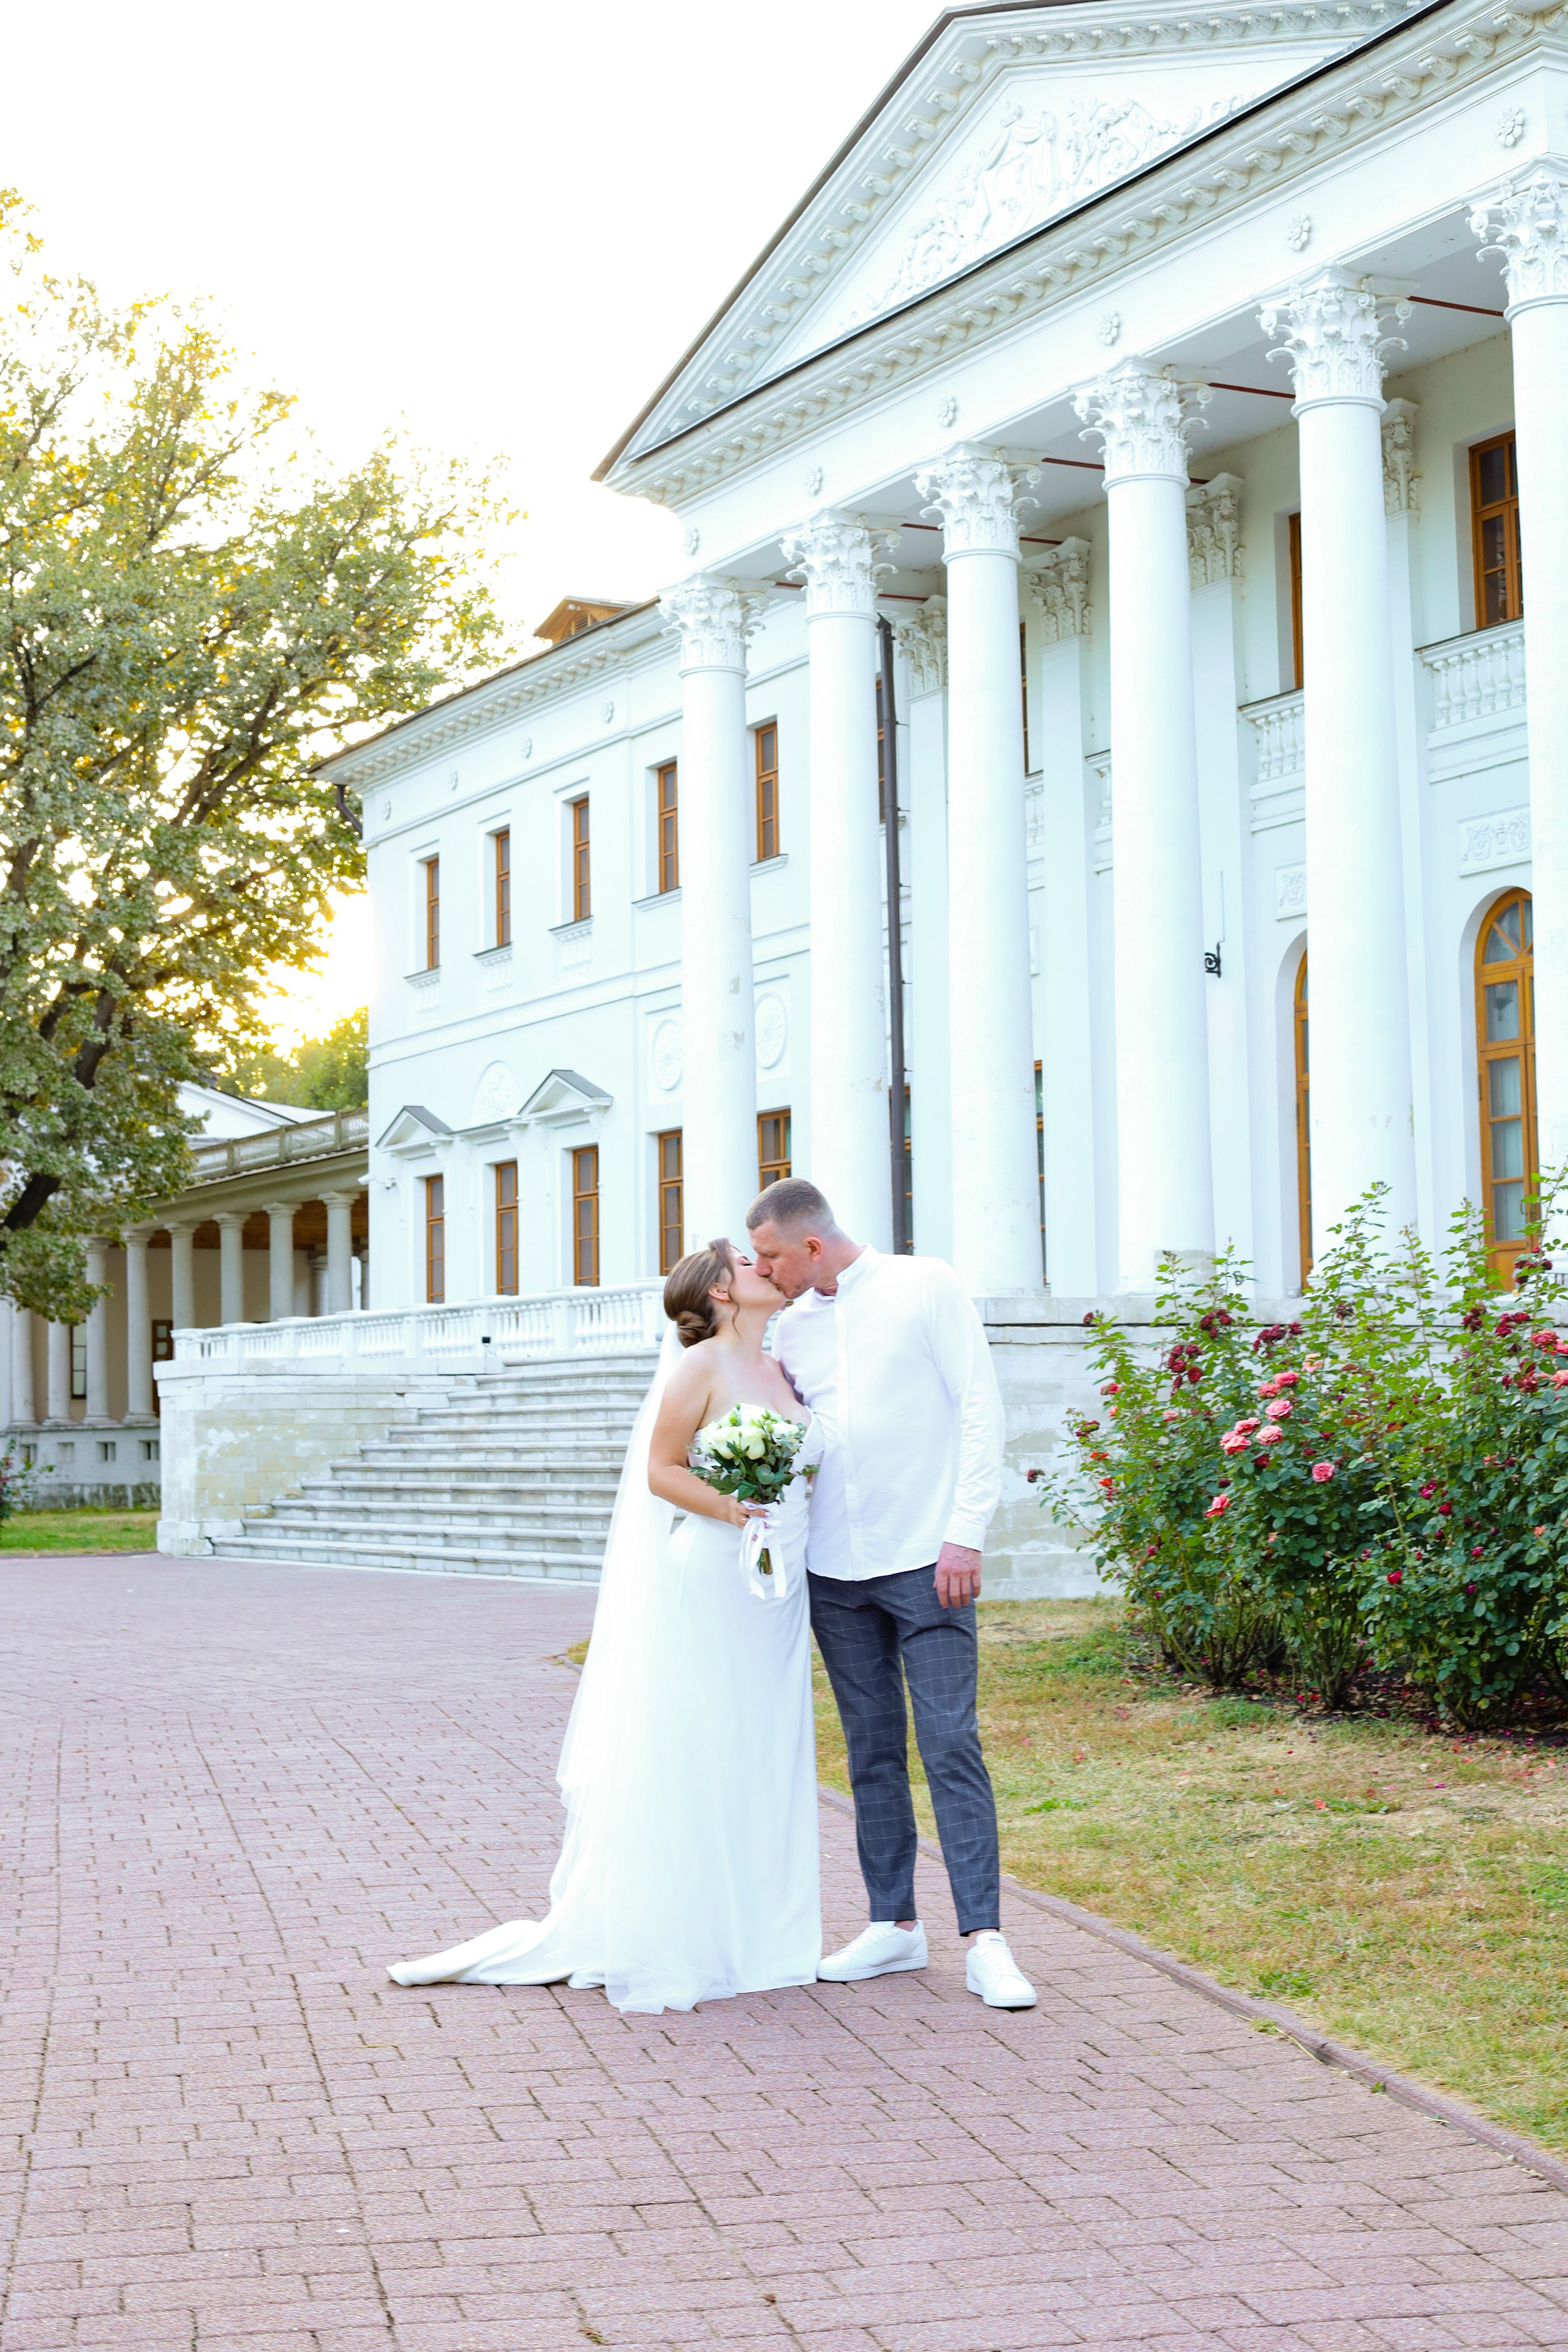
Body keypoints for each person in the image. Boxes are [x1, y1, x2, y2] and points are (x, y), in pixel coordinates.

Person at [386, 1238, 822, 2013]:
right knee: (704, 1739)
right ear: (721, 1292)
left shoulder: (781, 1367)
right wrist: (731, 1507)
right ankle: (684, 1929)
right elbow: (661, 1470)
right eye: (750, 1265)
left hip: (775, 1591)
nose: (767, 1269)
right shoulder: (701, 1367)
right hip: (714, 1573)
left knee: (762, 1740)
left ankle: (757, 1930)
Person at [748, 1177, 1036, 2010]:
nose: (766, 1273)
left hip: (927, 1559)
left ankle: (985, 1939)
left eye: (771, 1256)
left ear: (810, 1243)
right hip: (835, 1572)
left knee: (951, 1743)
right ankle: (893, 1927)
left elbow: (979, 1407)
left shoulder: (925, 1285)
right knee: (870, 1753)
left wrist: (967, 1531)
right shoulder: (789, 1330)